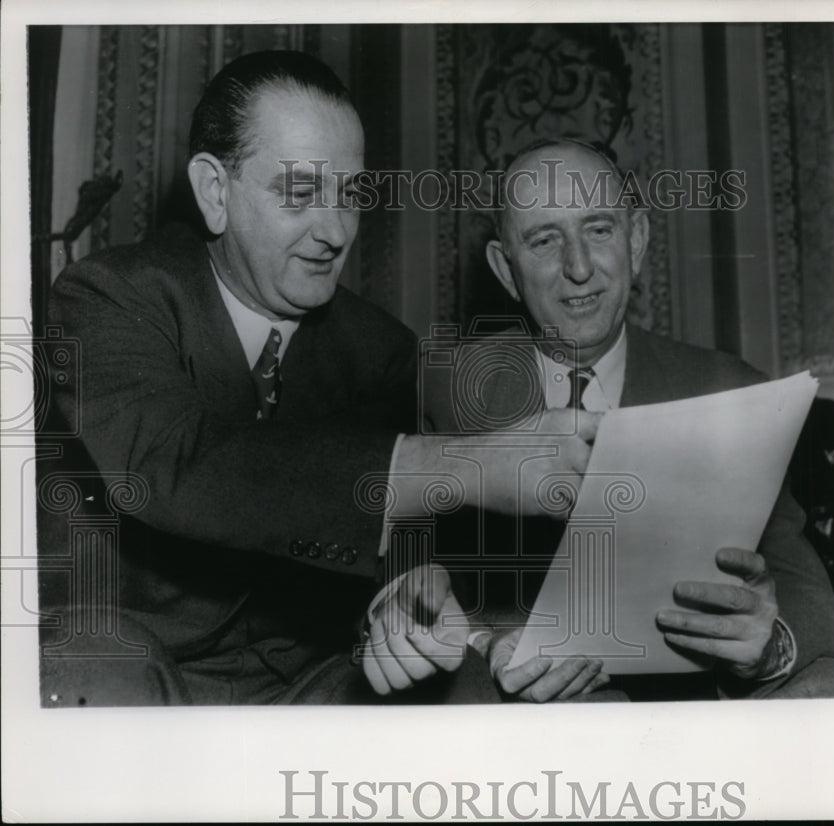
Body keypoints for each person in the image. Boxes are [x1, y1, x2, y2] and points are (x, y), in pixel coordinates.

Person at [39, 53, 597, 706]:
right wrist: (465, 464)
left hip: (299, 688)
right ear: (215, 191)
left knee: (471, 689)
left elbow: (387, 558)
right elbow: (177, 468)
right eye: (300, 194)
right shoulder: (110, 296)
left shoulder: (380, 351)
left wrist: (404, 606)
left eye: (350, 196)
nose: (334, 232)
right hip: (120, 671)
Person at [423, 137, 834, 702]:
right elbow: (389, 590)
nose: (579, 267)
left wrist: (768, 647)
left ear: (637, 240)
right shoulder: (442, 391)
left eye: (598, 230)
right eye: (545, 240)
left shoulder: (727, 388)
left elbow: (805, 592)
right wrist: (483, 643)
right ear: (505, 270)